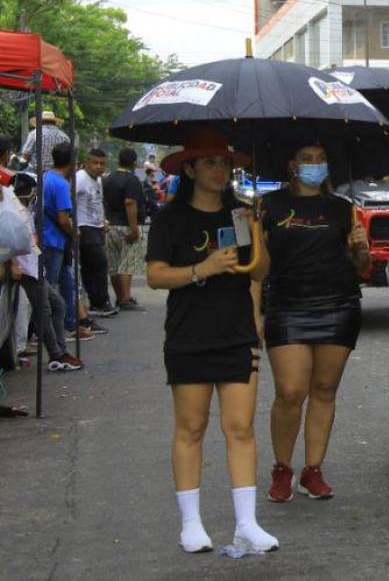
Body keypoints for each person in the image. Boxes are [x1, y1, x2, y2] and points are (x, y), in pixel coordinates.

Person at [145, 127, 277, 554]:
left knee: (240, 427)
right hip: (188, 334)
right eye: (210, 163)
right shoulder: (171, 218)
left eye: (225, 162)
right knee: (192, 427)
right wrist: (203, 269)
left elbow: (258, 272)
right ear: (190, 168)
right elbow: (155, 275)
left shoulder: (242, 214)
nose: (220, 170)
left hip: (237, 333)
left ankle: (247, 524)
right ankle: (191, 523)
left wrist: (258, 234)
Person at [263, 143, 369, 502]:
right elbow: (256, 268)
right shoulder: (268, 207)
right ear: (292, 164)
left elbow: (361, 267)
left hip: (338, 304)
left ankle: (313, 470)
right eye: (306, 158)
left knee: (324, 389)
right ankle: (282, 468)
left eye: (321, 158)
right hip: (286, 305)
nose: (314, 164)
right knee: (290, 392)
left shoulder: (343, 209)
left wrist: (361, 247)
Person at [9, 172, 78, 371]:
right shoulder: (12, 212)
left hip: (33, 265)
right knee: (45, 309)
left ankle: (60, 350)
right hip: (26, 268)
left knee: (56, 305)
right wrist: (14, 263)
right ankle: (56, 354)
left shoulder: (23, 210)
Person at [41, 142, 90, 341]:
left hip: (51, 240)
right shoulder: (61, 184)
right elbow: (63, 219)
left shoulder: (46, 177)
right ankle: (49, 332)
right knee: (51, 289)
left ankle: (70, 323)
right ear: (72, 162)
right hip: (54, 241)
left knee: (67, 282)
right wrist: (74, 232)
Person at [105, 148, 148, 312]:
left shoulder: (108, 179)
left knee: (115, 265)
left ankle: (119, 297)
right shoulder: (132, 180)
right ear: (134, 163)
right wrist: (134, 228)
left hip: (112, 225)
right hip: (126, 225)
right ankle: (125, 298)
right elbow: (130, 202)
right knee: (127, 264)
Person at [76, 148, 117, 317]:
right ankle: (99, 302)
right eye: (95, 163)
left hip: (96, 227)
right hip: (84, 227)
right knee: (98, 264)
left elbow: (97, 203)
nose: (98, 167)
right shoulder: (80, 179)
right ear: (87, 162)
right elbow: (69, 200)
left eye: (102, 164)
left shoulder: (98, 180)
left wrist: (103, 220)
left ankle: (98, 301)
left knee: (94, 266)